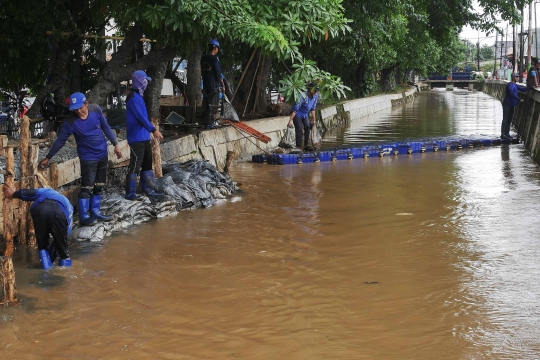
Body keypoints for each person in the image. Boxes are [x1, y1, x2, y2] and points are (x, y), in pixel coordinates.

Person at [39, 92, 122, 226]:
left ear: (86, 104)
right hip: (88, 157)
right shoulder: (70, 121)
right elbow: (61, 140)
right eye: (75, 109)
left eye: (80, 107)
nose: (78, 111)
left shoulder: (95, 109)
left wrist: (116, 144)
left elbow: (105, 127)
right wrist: (48, 157)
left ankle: (95, 211)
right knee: (87, 186)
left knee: (100, 184)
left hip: (102, 153)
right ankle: (84, 217)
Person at [3, 184, 73, 270]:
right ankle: (65, 273)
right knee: (64, 252)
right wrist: (61, 247)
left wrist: (14, 194)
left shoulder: (49, 191)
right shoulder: (69, 207)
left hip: (39, 209)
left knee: (43, 245)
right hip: (59, 212)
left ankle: (46, 272)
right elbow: (65, 234)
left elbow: (32, 193)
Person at [124, 70, 164, 200]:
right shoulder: (132, 98)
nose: (146, 83)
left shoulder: (140, 97)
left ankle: (147, 188)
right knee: (135, 165)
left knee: (147, 164)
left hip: (144, 137)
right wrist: (153, 130)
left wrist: (149, 132)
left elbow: (144, 118)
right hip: (136, 138)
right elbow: (141, 118)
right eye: (145, 80)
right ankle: (130, 193)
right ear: (139, 81)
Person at [501, 73, 535, 140]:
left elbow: (522, 89)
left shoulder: (515, 85)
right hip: (507, 104)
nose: (517, 78)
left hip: (512, 104)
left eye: (518, 77)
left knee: (509, 119)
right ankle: (503, 134)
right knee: (505, 119)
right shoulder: (509, 85)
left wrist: (531, 88)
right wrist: (519, 99)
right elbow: (512, 94)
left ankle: (507, 133)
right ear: (513, 77)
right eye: (516, 77)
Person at [201, 39, 225, 128]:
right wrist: (223, 85)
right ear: (215, 48)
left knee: (206, 104)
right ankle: (210, 123)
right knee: (213, 105)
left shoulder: (203, 58)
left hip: (205, 85)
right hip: (214, 86)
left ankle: (206, 122)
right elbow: (218, 73)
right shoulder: (215, 59)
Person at [287, 82, 320, 149]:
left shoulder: (315, 96)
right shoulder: (302, 96)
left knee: (307, 126)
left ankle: (306, 145)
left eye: (316, 91)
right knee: (299, 129)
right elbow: (295, 109)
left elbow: (313, 109)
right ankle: (298, 146)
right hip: (297, 114)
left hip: (305, 114)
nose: (316, 92)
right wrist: (290, 121)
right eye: (315, 90)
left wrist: (314, 120)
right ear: (310, 89)